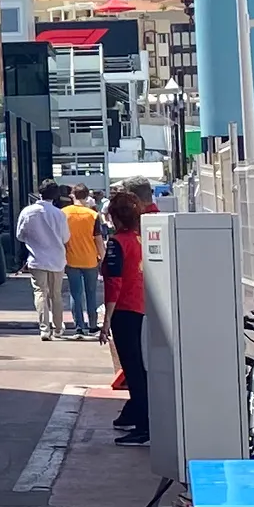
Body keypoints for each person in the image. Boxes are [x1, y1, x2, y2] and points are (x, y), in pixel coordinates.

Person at [103, 182, 154, 444]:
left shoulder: (117, 243)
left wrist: (106, 321)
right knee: (139, 368)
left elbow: (114, 283)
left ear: (116, 217)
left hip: (124, 310)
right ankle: (138, 416)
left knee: (133, 370)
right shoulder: (139, 239)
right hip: (141, 307)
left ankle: (144, 425)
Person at [16, 182, 70, 338]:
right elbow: (66, 237)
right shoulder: (59, 214)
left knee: (40, 292)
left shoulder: (28, 212)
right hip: (57, 259)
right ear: (56, 196)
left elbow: (20, 235)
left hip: (36, 258)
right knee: (56, 294)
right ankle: (58, 327)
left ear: (39, 193)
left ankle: (44, 328)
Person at [61, 189, 103, 339]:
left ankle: (79, 327)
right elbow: (98, 240)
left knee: (75, 293)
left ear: (72, 195)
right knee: (91, 293)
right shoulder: (93, 215)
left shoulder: (64, 213)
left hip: (71, 259)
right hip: (90, 259)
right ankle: (92, 325)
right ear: (87, 196)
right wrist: (103, 258)